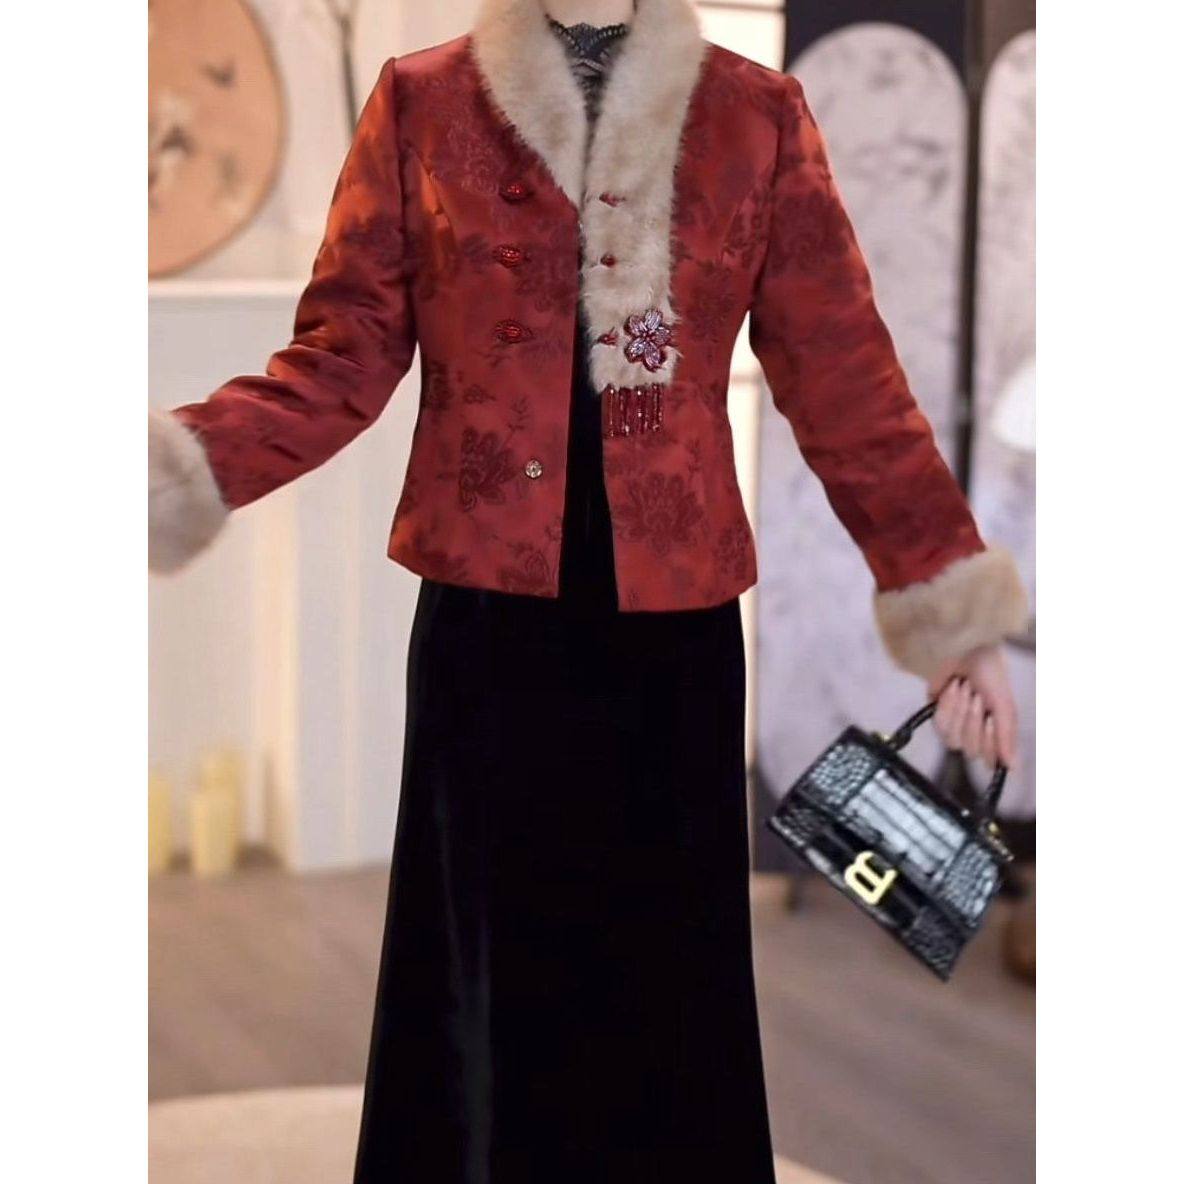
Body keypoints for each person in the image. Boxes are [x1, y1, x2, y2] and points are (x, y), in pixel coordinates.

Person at [148, 2, 1028, 1180]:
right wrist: (169, 474)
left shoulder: (753, 115)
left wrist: (949, 608)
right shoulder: (422, 102)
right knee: (484, 971)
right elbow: (337, 358)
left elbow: (846, 379)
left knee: (663, 978)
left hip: (670, 634)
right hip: (487, 627)